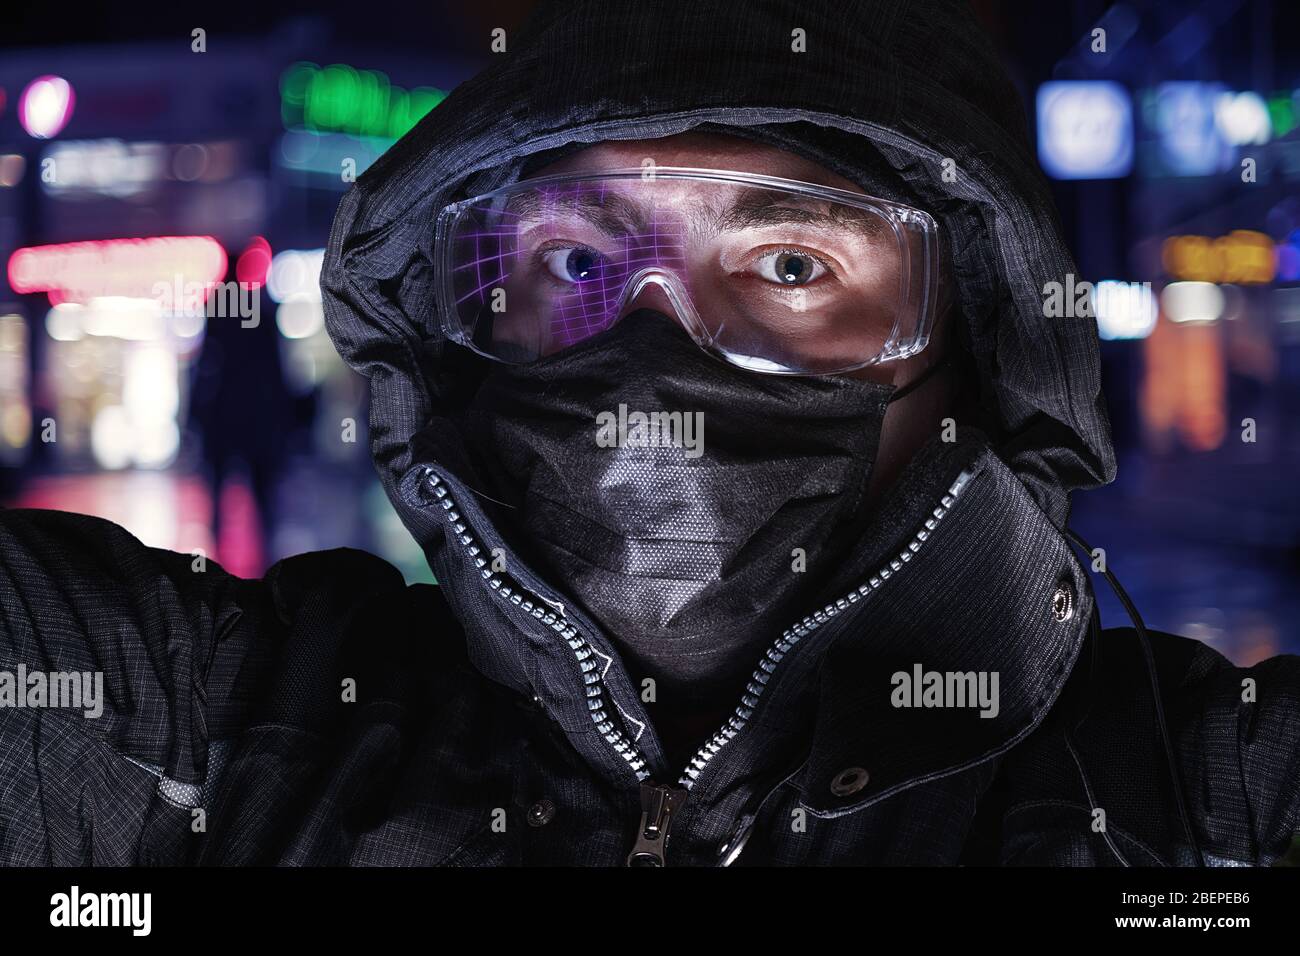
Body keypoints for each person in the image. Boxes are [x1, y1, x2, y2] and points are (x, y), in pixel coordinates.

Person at [1, 0, 1296, 867]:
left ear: (967, 355)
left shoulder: (1183, 798)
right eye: (572, 258)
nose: (656, 355)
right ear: (461, 338)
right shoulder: (241, 718)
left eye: (792, 266)